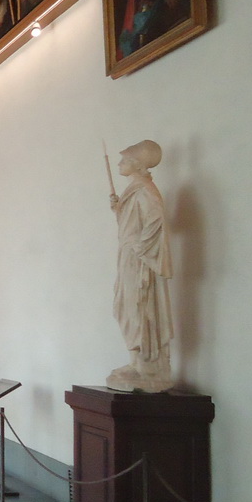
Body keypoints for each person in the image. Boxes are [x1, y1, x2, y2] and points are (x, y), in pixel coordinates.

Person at [107, 139, 174, 393]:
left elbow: (155, 219)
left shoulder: (145, 189)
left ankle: (145, 365)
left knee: (138, 305)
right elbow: (133, 223)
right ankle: (135, 361)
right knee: (125, 306)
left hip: (138, 260)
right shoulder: (134, 190)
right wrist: (119, 211)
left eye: (124, 160)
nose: (119, 164)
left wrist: (141, 247)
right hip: (128, 256)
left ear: (137, 164)